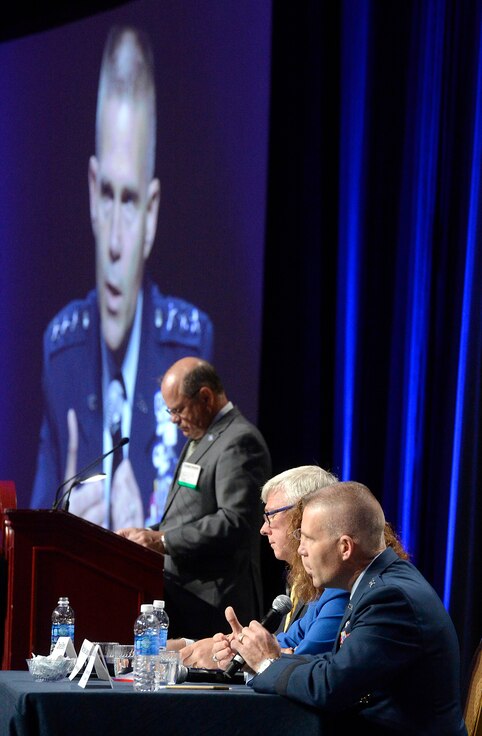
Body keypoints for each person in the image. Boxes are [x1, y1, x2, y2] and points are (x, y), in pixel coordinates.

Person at [30, 26, 213, 530]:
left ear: (152, 213)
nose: (113, 242)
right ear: (91, 193)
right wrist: (61, 522)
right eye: (106, 195)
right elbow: (33, 519)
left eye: (129, 202)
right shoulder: (61, 353)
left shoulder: (190, 348)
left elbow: (209, 515)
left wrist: (151, 532)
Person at [229, 481, 467, 735]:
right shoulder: (378, 584)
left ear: (345, 547)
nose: (300, 550)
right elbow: (337, 665)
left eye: (307, 539)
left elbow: (331, 687)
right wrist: (273, 658)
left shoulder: (389, 598)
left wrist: (267, 664)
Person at [117, 357, 271, 640]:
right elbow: (189, 514)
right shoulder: (203, 436)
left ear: (205, 397)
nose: (173, 419)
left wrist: (163, 541)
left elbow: (235, 521)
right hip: (184, 597)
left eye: (178, 410)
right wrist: (146, 535)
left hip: (214, 604)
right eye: (169, 411)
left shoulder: (239, 440)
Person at [179, 465, 349, 668]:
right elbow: (283, 643)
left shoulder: (338, 583)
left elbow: (306, 661)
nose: (263, 529)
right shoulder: (300, 579)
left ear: (302, 514)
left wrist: (252, 657)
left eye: (271, 515)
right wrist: (233, 647)